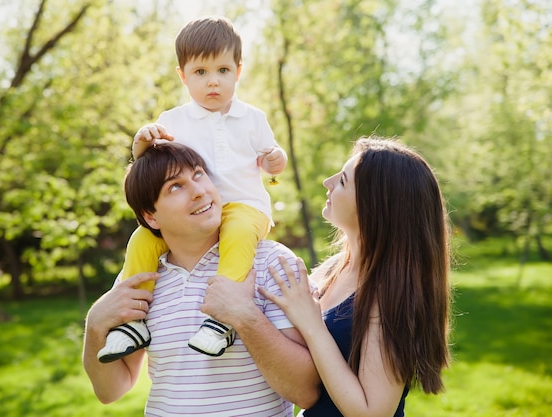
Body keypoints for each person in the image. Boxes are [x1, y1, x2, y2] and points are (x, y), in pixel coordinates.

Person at [203, 136, 452, 416]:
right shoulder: (332, 270)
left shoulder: (391, 295)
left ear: (375, 208)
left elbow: (371, 412)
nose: (328, 182)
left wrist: (312, 325)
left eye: (343, 181)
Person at [97, 15, 287, 362]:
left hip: (244, 206)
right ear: (183, 76)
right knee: (142, 239)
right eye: (200, 73)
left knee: (239, 231)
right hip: (193, 214)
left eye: (223, 71)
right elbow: (152, 167)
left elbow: (271, 161)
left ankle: (221, 318)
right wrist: (141, 147)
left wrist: (275, 163)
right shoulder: (172, 120)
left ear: (238, 71)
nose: (213, 82)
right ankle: (133, 320)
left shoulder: (253, 118)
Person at [83, 142, 320, 416]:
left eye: (198, 174)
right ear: (151, 216)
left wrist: (244, 317)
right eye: (175, 186)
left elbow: (306, 392)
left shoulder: (272, 263)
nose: (198, 191)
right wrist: (95, 325)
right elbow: (111, 390)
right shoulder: (139, 279)